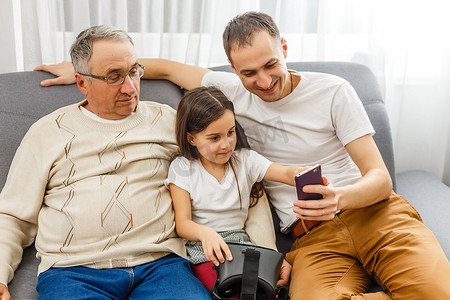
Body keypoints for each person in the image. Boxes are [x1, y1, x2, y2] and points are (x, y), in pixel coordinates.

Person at [35, 12, 450, 300]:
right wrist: (89, 75)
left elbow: (380, 178)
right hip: (312, 237)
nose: (265, 81)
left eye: (272, 64)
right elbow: (163, 67)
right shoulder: (229, 95)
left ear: (284, 47)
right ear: (233, 71)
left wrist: (340, 198)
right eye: (249, 73)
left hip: (375, 213)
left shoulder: (334, 90)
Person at [0, 25, 212, 299]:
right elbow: (13, 215)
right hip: (74, 272)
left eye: (134, 71)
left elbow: (228, 171)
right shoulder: (48, 131)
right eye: (114, 77)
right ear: (81, 83)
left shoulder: (168, 120)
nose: (130, 87)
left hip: (160, 266)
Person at [166, 86, 309, 292]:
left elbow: (285, 173)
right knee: (222, 290)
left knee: (263, 290)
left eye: (230, 133)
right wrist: (205, 233)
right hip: (204, 249)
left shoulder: (246, 161)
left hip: (241, 246)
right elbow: (182, 223)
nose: (226, 145)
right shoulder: (182, 168)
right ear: (191, 139)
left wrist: (302, 173)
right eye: (214, 138)